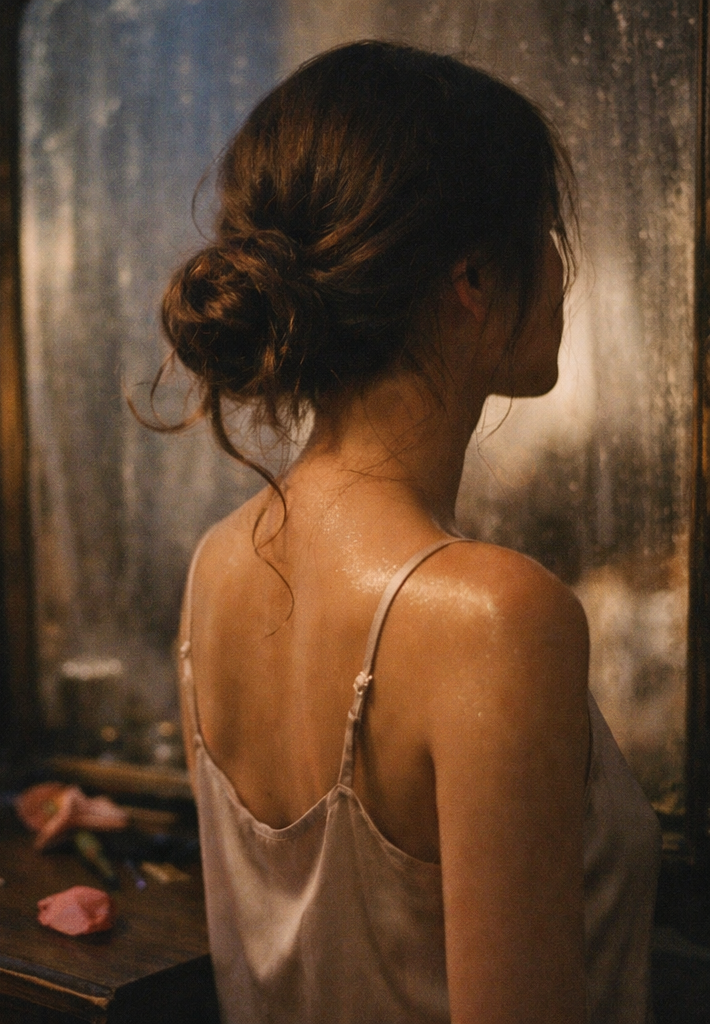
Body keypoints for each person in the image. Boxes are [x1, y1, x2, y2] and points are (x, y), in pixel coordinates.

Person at [159, 41, 660, 1024]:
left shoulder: (217, 565)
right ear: (472, 277)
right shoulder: (494, 617)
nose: (559, 267)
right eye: (547, 231)